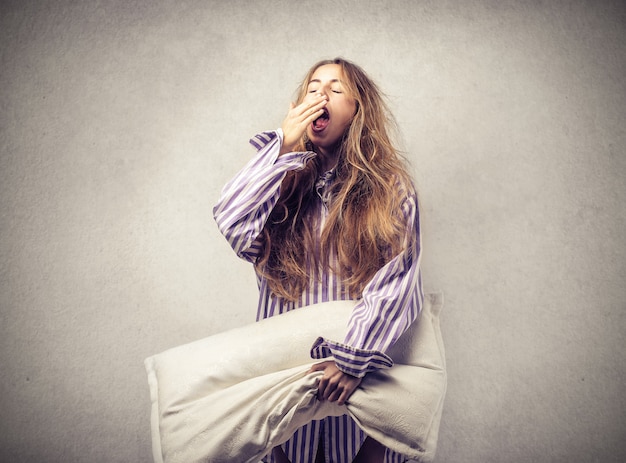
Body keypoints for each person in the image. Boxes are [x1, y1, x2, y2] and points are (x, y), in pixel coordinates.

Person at [213, 58, 423, 463]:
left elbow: (398, 280)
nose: (320, 95)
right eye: (312, 88)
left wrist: (352, 359)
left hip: (362, 392)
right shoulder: (279, 181)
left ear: (358, 110)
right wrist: (283, 148)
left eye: (336, 89)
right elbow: (232, 221)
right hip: (288, 389)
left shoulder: (392, 188)